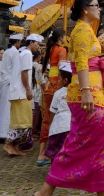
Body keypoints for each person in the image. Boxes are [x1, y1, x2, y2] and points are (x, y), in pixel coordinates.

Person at [36, 0, 104, 196]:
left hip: (94, 91)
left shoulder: (87, 30)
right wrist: (87, 91)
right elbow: (80, 62)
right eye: (96, 5)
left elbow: (88, 59)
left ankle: (101, 190)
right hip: (86, 94)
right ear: (85, 9)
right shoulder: (81, 30)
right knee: (80, 143)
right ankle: (46, 189)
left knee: (97, 143)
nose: (100, 8)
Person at [4, 34, 41, 156]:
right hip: (21, 92)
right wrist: (28, 89)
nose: (38, 46)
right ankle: (9, 144)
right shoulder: (27, 54)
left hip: (18, 91)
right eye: (37, 43)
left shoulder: (22, 53)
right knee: (23, 121)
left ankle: (13, 146)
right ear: (31, 42)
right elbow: (24, 72)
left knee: (19, 120)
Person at [37, 29, 67, 164]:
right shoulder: (61, 49)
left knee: (46, 119)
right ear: (60, 37)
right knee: (57, 118)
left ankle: (41, 153)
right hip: (57, 86)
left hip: (49, 85)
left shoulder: (50, 49)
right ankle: (53, 151)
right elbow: (62, 67)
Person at [0, 34, 23, 140]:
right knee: (8, 108)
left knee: (1, 107)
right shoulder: (15, 53)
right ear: (17, 42)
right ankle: (5, 133)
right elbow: (16, 69)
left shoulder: (7, 52)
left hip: (4, 81)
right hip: (10, 82)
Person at [42, 62, 72, 162]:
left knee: (55, 152)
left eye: (59, 78)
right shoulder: (77, 92)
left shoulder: (58, 93)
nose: (58, 81)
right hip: (71, 127)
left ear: (65, 80)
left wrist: (50, 125)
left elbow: (52, 112)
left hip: (59, 127)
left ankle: (54, 171)